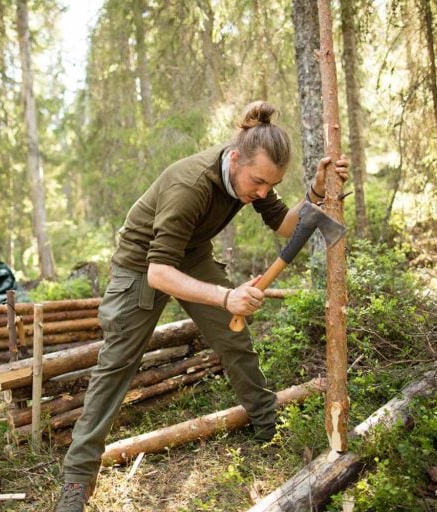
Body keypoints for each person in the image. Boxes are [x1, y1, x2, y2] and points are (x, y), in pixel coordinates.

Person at [52, 101, 348, 511]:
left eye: (270, 185)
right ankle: (77, 478)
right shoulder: (190, 186)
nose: (262, 193)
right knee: (118, 362)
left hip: (191, 254)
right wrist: (227, 295)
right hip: (143, 263)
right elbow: (158, 273)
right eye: (259, 182)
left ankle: (268, 426)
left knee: (235, 336)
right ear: (233, 158)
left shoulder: (251, 176)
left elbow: (283, 223)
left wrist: (315, 190)